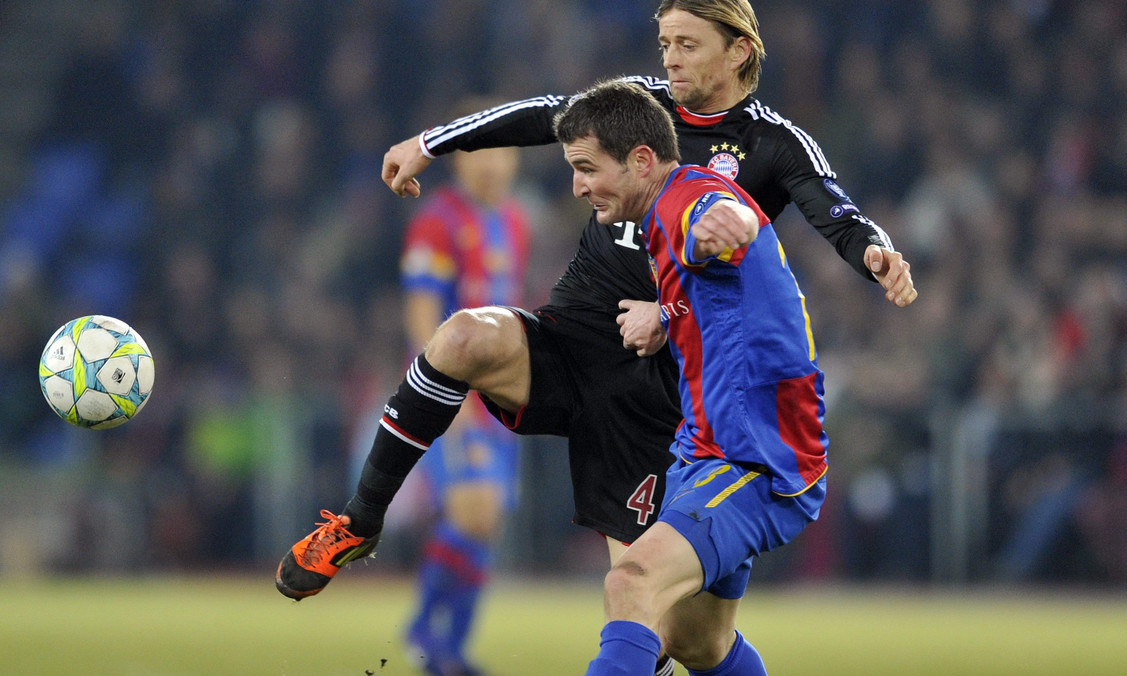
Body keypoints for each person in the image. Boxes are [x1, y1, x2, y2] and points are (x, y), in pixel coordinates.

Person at [277, 1, 916, 673]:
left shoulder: (771, 147)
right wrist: (432, 142)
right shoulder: (634, 107)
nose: (669, 57)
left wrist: (874, 253)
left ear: (738, 53)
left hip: (662, 394)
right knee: (464, 337)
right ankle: (361, 519)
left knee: (685, 635)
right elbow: (540, 113)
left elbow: (832, 211)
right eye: (665, 41)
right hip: (578, 335)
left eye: (688, 44)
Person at [557, 77, 825, 676]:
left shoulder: (687, 200)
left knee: (630, 583)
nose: (577, 186)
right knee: (696, 642)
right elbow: (715, 291)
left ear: (642, 160)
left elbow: (713, 221)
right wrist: (668, 313)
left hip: (756, 456)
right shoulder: (660, 216)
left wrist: (725, 223)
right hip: (704, 448)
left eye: (586, 167)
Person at [396, 100, 532, 675]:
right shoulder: (438, 221)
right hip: (455, 388)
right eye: (477, 151)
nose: (491, 165)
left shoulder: (515, 222)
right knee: (473, 509)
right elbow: (421, 313)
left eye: (501, 151)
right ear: (454, 159)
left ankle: (451, 649)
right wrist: (441, 391)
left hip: (502, 389)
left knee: (489, 515)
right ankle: (424, 629)